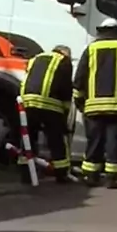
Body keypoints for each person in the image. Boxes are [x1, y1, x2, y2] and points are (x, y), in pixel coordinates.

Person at [73, 18, 117, 188]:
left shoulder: (91, 48)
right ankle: (113, 178)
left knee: (94, 141)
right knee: (114, 142)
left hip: (93, 107)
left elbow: (80, 77)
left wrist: (79, 101)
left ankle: (91, 176)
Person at [19, 45, 74, 185]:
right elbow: (66, 87)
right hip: (49, 103)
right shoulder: (64, 61)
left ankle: (26, 174)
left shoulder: (35, 58)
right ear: (64, 53)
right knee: (56, 139)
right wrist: (65, 111)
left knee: (28, 138)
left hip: (27, 101)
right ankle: (61, 175)